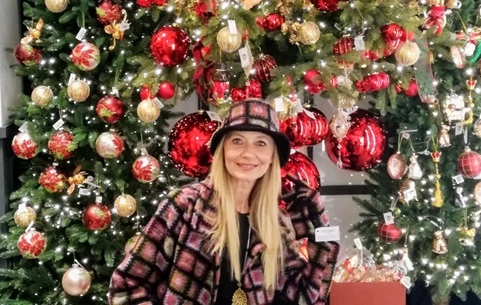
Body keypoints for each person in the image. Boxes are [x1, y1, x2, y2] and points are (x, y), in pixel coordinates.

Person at [107, 98, 339, 305]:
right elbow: (126, 285)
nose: (248, 153)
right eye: (237, 141)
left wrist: (316, 226)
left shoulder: (274, 224)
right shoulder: (185, 206)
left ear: (272, 157)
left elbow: (305, 298)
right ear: (222, 150)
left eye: (261, 143)